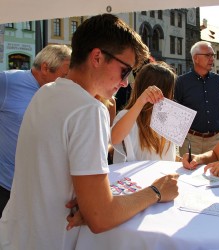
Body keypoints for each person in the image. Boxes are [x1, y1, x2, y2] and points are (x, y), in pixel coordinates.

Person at [0, 14, 179, 250]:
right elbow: (101, 217)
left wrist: (91, 204)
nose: (125, 82)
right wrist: (156, 191)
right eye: (125, 71)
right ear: (97, 57)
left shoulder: (46, 92)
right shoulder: (88, 109)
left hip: (15, 235)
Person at [0, 44, 71, 218]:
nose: (68, 81)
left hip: (43, 188)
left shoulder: (62, 92)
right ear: (45, 68)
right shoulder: (7, 82)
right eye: (64, 76)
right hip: (7, 186)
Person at [111, 61, 177, 163]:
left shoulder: (167, 117)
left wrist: (183, 159)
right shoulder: (127, 116)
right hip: (136, 178)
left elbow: (166, 155)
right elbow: (114, 139)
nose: (171, 96)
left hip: (165, 177)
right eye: (169, 91)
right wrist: (140, 102)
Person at [174, 41, 219, 157]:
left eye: (212, 55)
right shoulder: (181, 82)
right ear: (196, 58)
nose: (212, 59)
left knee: (214, 174)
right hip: (191, 140)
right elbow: (175, 110)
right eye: (208, 55)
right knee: (188, 174)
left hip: (216, 141)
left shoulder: (218, 81)